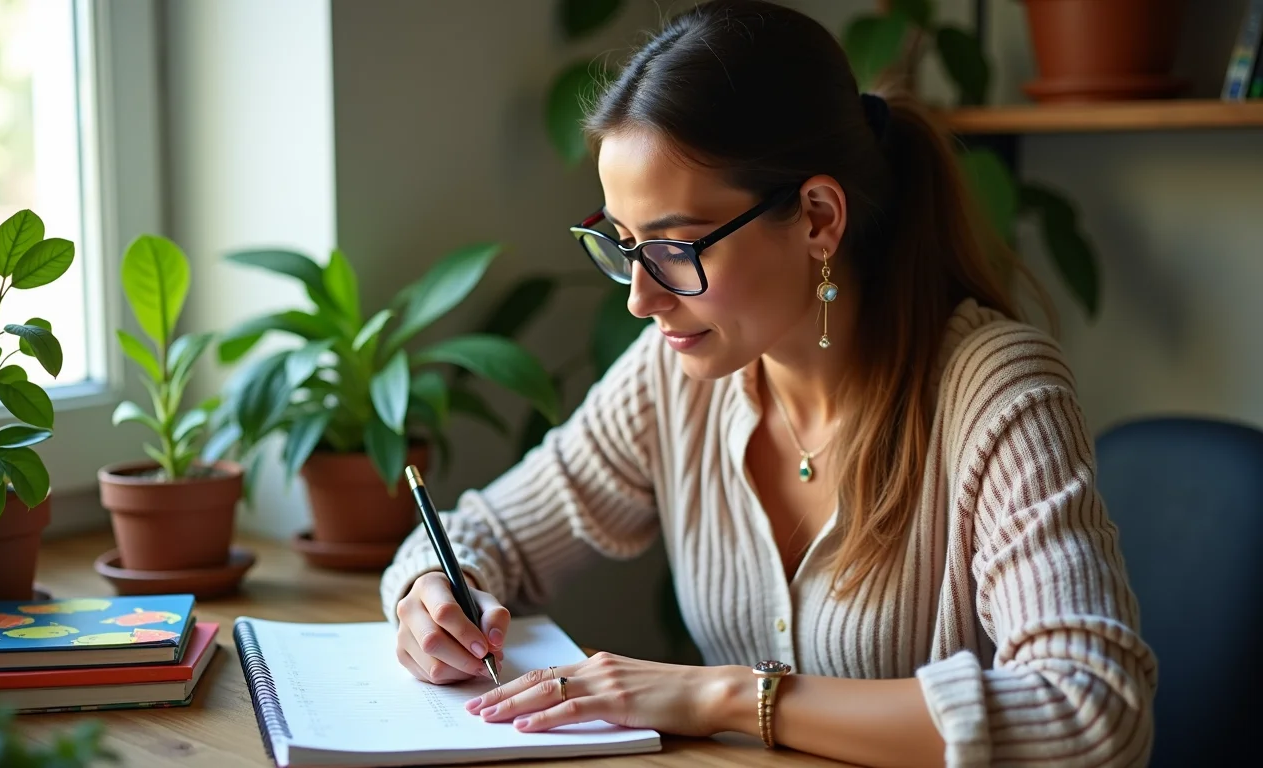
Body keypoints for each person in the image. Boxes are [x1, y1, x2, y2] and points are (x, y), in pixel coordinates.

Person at [380, 1, 1157, 765]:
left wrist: (726, 697)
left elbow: (1091, 709)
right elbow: (482, 536)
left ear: (818, 217)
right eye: (622, 245)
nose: (640, 298)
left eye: (676, 249)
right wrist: (433, 595)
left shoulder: (996, 392)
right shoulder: (673, 375)